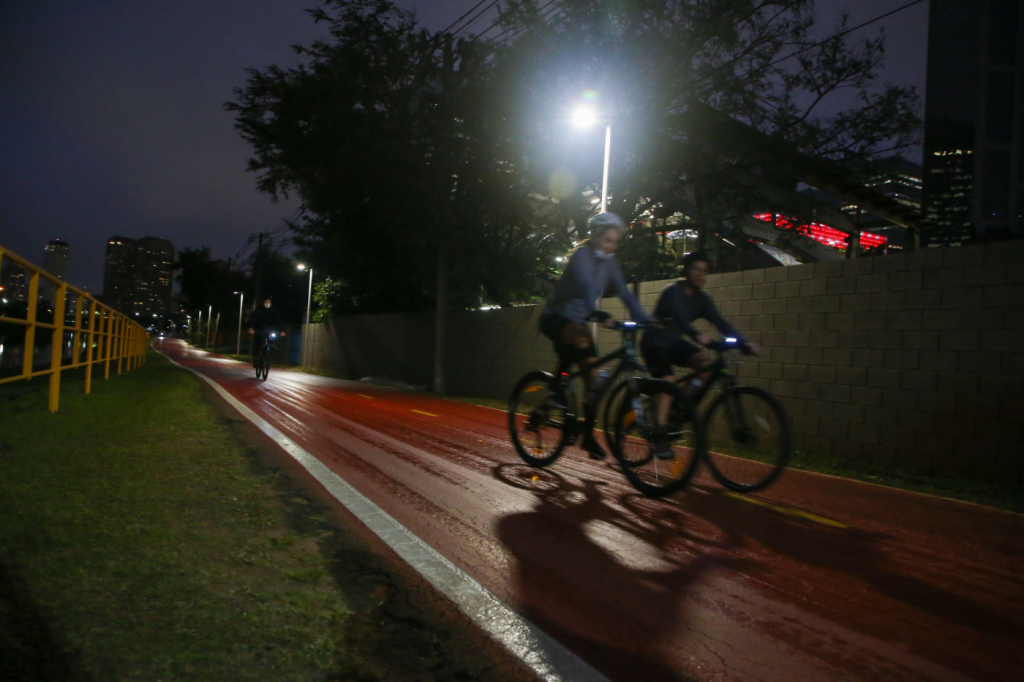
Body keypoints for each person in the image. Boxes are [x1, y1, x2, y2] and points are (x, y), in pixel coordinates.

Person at [539, 212, 650, 460]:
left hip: (579, 322)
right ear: (597, 237)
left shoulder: (610, 262)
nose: (611, 246)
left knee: (594, 385)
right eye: (608, 240)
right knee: (577, 337)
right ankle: (555, 391)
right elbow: (588, 288)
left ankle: (588, 437)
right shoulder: (581, 257)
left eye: (615, 242)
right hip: (555, 318)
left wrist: (645, 318)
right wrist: (599, 315)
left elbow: (624, 291)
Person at [640, 250, 758, 457]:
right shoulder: (672, 291)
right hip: (655, 343)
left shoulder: (701, 299)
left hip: (674, 343)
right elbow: (680, 320)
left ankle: (678, 407)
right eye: (696, 269)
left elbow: (720, 323)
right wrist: (697, 336)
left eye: (704, 271)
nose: (700, 274)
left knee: (704, 367)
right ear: (686, 270)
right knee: (668, 381)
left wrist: (743, 343)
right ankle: (659, 436)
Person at [248, 296, 285, 365]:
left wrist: (281, 330)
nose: (267, 303)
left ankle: (268, 354)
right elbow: (253, 319)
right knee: (257, 341)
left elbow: (279, 321)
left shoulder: (274, 311)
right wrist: (251, 328)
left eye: (269, 302)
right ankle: (256, 356)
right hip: (260, 329)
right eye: (266, 302)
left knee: (273, 339)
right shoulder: (259, 310)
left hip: (270, 330)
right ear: (263, 302)